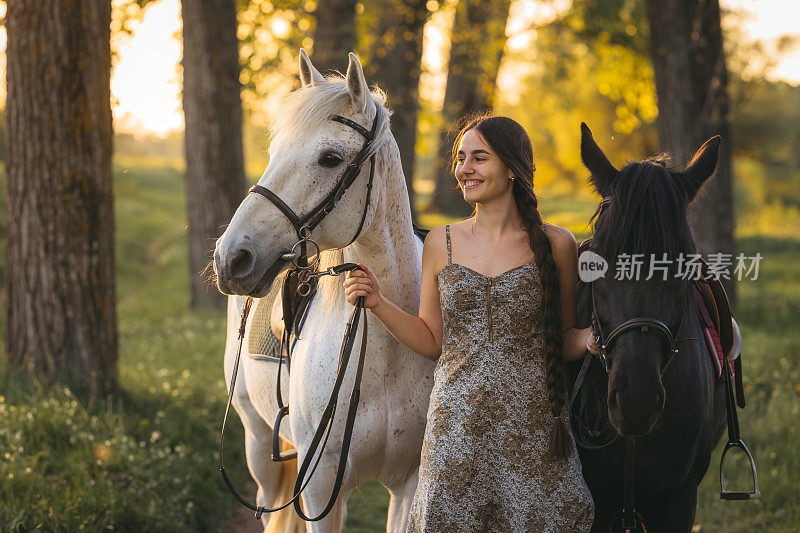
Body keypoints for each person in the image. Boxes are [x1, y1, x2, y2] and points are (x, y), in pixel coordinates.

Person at [343, 115, 595, 531]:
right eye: (461, 159)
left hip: (533, 431)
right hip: (456, 428)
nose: (464, 169)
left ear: (512, 168)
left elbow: (561, 339)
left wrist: (586, 339)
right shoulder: (440, 242)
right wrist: (378, 303)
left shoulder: (557, 243)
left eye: (479, 158)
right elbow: (430, 340)